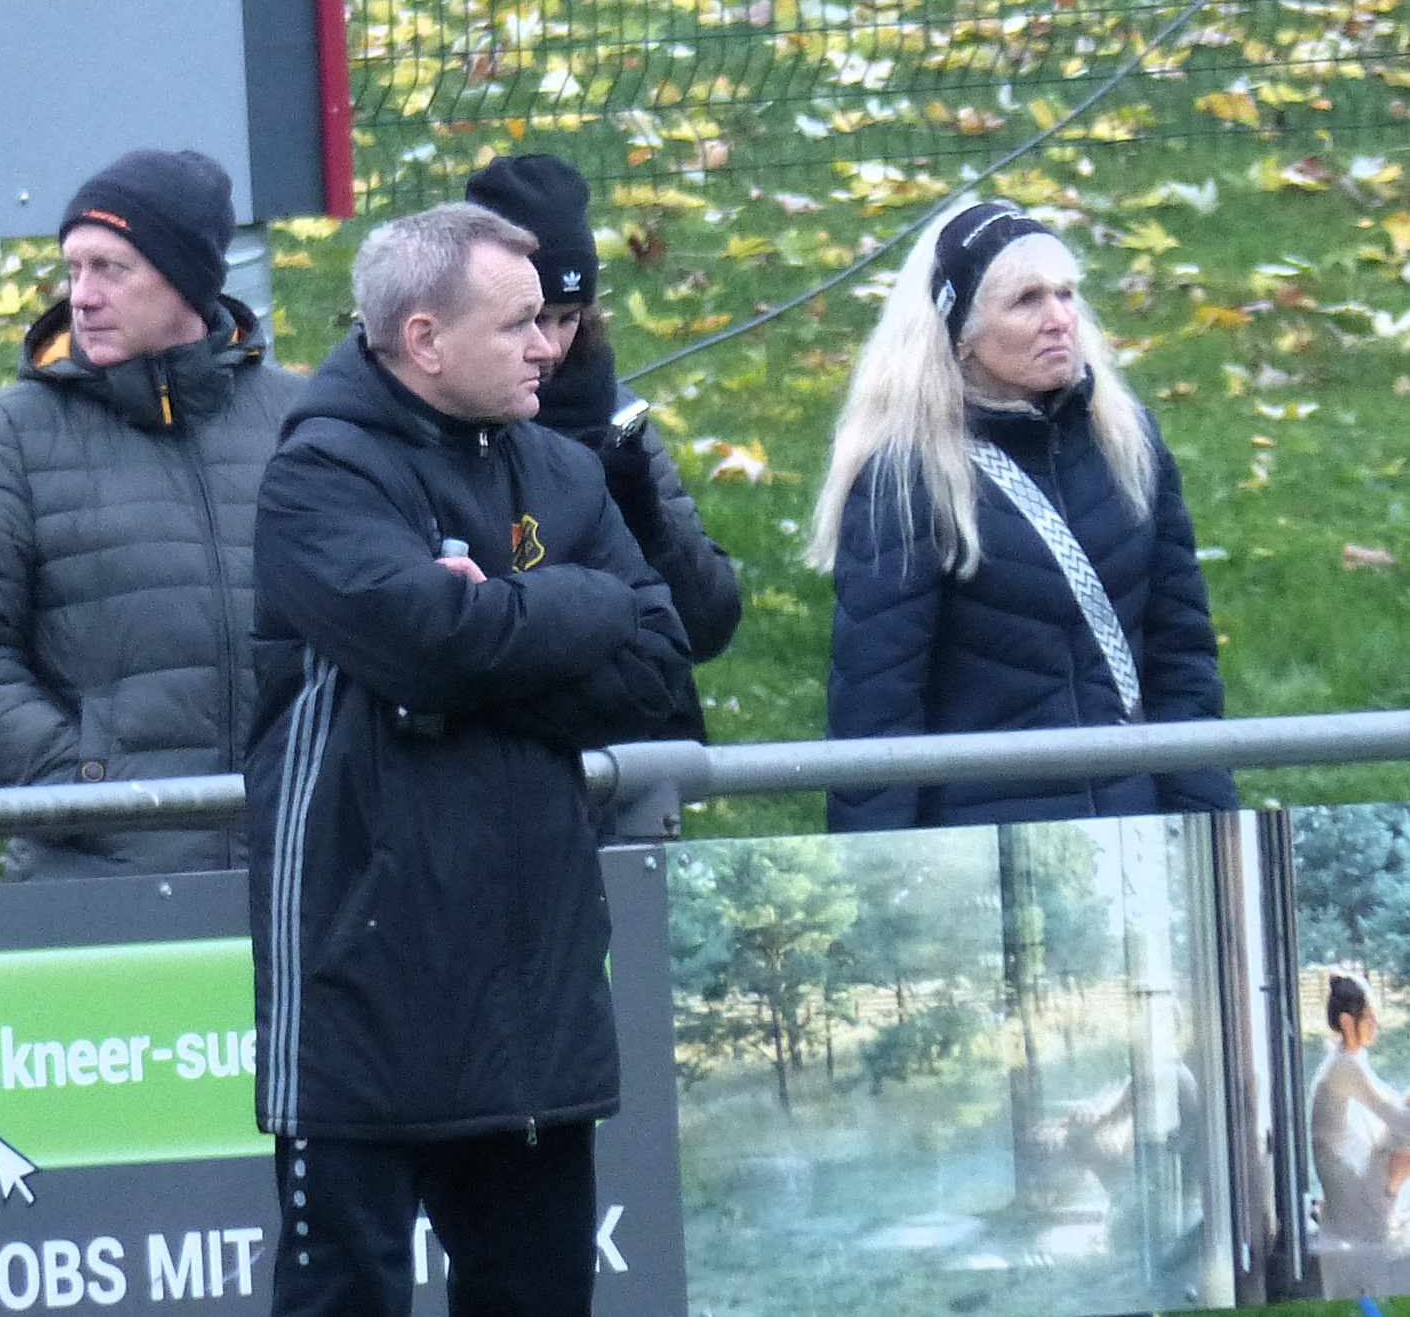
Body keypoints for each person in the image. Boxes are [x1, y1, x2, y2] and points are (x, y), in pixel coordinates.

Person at [245, 202, 691, 1316]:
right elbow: (427, 647)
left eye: (548, 321)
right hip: (365, 983)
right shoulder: (317, 476)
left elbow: (655, 672)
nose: (550, 347)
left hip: (534, 990)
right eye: (519, 326)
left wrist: (507, 621)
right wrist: (575, 611)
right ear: (424, 339)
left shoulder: (564, 472)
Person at [0, 150, 304, 878]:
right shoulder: (12, 435)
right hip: (96, 882)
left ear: (188, 280)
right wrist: (85, 793)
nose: (83, 297)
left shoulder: (299, 422)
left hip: (296, 872)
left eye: (110, 269)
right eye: (74, 269)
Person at [809, 198, 1237, 832]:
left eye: (1066, 294)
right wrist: (881, 876)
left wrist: (1208, 835)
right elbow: (876, 713)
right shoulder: (908, 477)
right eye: (1026, 301)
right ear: (960, 336)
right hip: (985, 851)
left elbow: (1183, 663)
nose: (1060, 319)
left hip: (1136, 833)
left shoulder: (1126, 442)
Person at [465, 153, 740, 745]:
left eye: (568, 318)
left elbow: (707, 625)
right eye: (529, 319)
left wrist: (647, 520)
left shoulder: (615, 416)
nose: (549, 347)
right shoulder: (445, 423)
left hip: (636, 741)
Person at [1311, 975, 1410, 1292]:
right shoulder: (1344, 1068)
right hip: (1356, 1199)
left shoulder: (1347, 1061)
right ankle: (1390, 1202)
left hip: (1355, 1182)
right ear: (1346, 1022)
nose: (1376, 1023)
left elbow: (1391, 1108)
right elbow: (1398, 1120)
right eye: (1369, 1017)